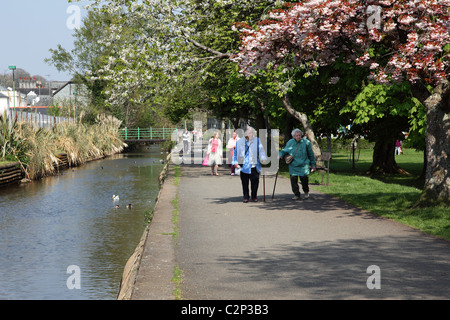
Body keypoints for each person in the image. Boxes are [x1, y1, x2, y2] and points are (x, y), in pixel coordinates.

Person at [279, 128, 316, 200]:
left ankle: (306, 191)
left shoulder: (306, 142)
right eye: (296, 135)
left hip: (304, 164)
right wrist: (280, 154)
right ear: (293, 136)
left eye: (299, 135)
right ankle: (297, 195)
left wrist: (313, 165)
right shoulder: (290, 142)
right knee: (293, 181)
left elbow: (311, 154)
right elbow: (284, 150)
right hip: (293, 165)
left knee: (304, 180)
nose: (298, 137)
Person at [233, 126, 267, 203]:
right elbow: (235, 154)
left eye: (252, 132)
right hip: (244, 166)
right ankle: (246, 196)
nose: (251, 134)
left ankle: (254, 195)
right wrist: (235, 162)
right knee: (245, 183)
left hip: (254, 165)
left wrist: (263, 158)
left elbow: (261, 150)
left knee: (255, 182)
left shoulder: (257, 140)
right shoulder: (240, 142)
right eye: (250, 133)